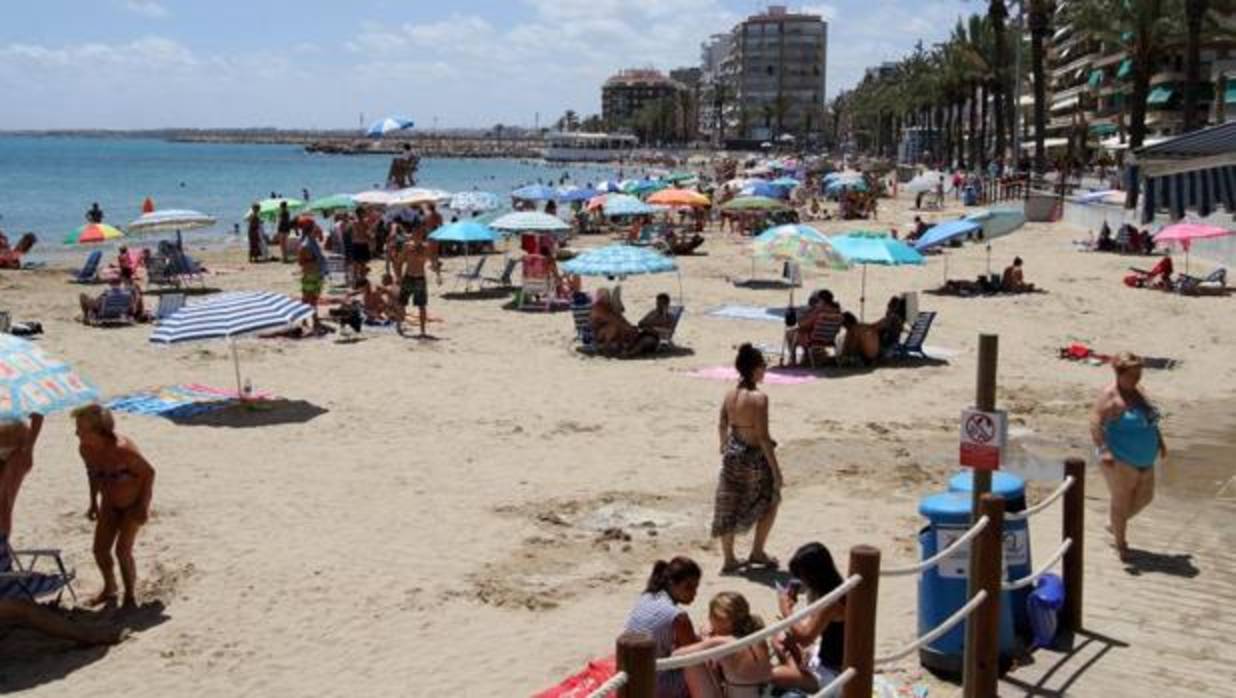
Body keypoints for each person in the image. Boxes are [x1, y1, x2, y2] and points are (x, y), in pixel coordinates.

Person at [74, 404, 156, 609]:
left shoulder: (123, 450)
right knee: (100, 550)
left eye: (81, 429)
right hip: (109, 504)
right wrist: (93, 502)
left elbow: (149, 473)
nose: (76, 433)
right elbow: (92, 474)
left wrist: (143, 507)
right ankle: (110, 588)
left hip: (132, 505)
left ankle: (130, 596)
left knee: (122, 551)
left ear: (99, 431)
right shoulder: (86, 449)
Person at [713, 344, 782, 574]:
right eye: (763, 366)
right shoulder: (759, 398)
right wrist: (776, 471)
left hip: (733, 455)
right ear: (754, 369)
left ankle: (729, 559)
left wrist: (723, 445)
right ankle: (757, 551)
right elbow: (763, 438)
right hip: (753, 458)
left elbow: (722, 424)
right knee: (771, 499)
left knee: (728, 505)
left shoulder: (730, 395)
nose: (765, 371)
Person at [1090, 353, 1165, 561]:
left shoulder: (1139, 391)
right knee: (1121, 502)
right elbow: (1094, 423)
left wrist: (1160, 441)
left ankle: (1114, 524)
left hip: (1146, 457)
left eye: (1139, 373)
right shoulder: (1111, 397)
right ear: (1118, 373)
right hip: (1120, 459)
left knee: (1145, 498)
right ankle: (1121, 545)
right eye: (1132, 374)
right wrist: (1103, 449)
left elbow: (1150, 419)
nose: (1137, 378)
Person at [770, 542, 849, 694]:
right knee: (779, 637)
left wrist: (786, 609)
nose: (801, 582)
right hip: (822, 656)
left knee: (775, 676)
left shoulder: (833, 601)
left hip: (835, 672)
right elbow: (808, 631)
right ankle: (796, 670)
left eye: (802, 577)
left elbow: (805, 637)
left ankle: (795, 671)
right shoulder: (827, 589)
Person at [623, 557, 702, 698]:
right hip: (654, 685)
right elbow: (695, 657)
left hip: (631, 677)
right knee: (705, 668)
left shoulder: (647, 596)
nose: (694, 593)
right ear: (672, 583)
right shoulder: (678, 617)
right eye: (689, 587)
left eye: (696, 587)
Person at [675, 592, 772, 698]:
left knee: (692, 661)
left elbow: (677, 655)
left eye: (710, 616)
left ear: (718, 619)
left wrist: (705, 640)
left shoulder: (723, 643)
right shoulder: (757, 634)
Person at [394, 229, 442, 337]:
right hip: (408, 277)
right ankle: (398, 326)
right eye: (415, 235)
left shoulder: (426, 248)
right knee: (402, 302)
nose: (417, 237)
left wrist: (438, 274)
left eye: (419, 235)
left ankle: (423, 330)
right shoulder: (407, 246)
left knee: (422, 305)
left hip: (420, 278)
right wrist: (399, 277)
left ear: (422, 236)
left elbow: (433, 263)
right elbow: (399, 262)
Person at [591, 288, 659, 357]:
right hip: (614, 340)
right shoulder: (599, 311)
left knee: (652, 336)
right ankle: (630, 353)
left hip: (622, 337)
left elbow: (621, 323)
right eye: (607, 297)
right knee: (647, 340)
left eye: (609, 297)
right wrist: (631, 330)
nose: (609, 300)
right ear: (602, 298)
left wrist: (634, 329)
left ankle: (634, 350)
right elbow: (615, 324)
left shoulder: (608, 310)